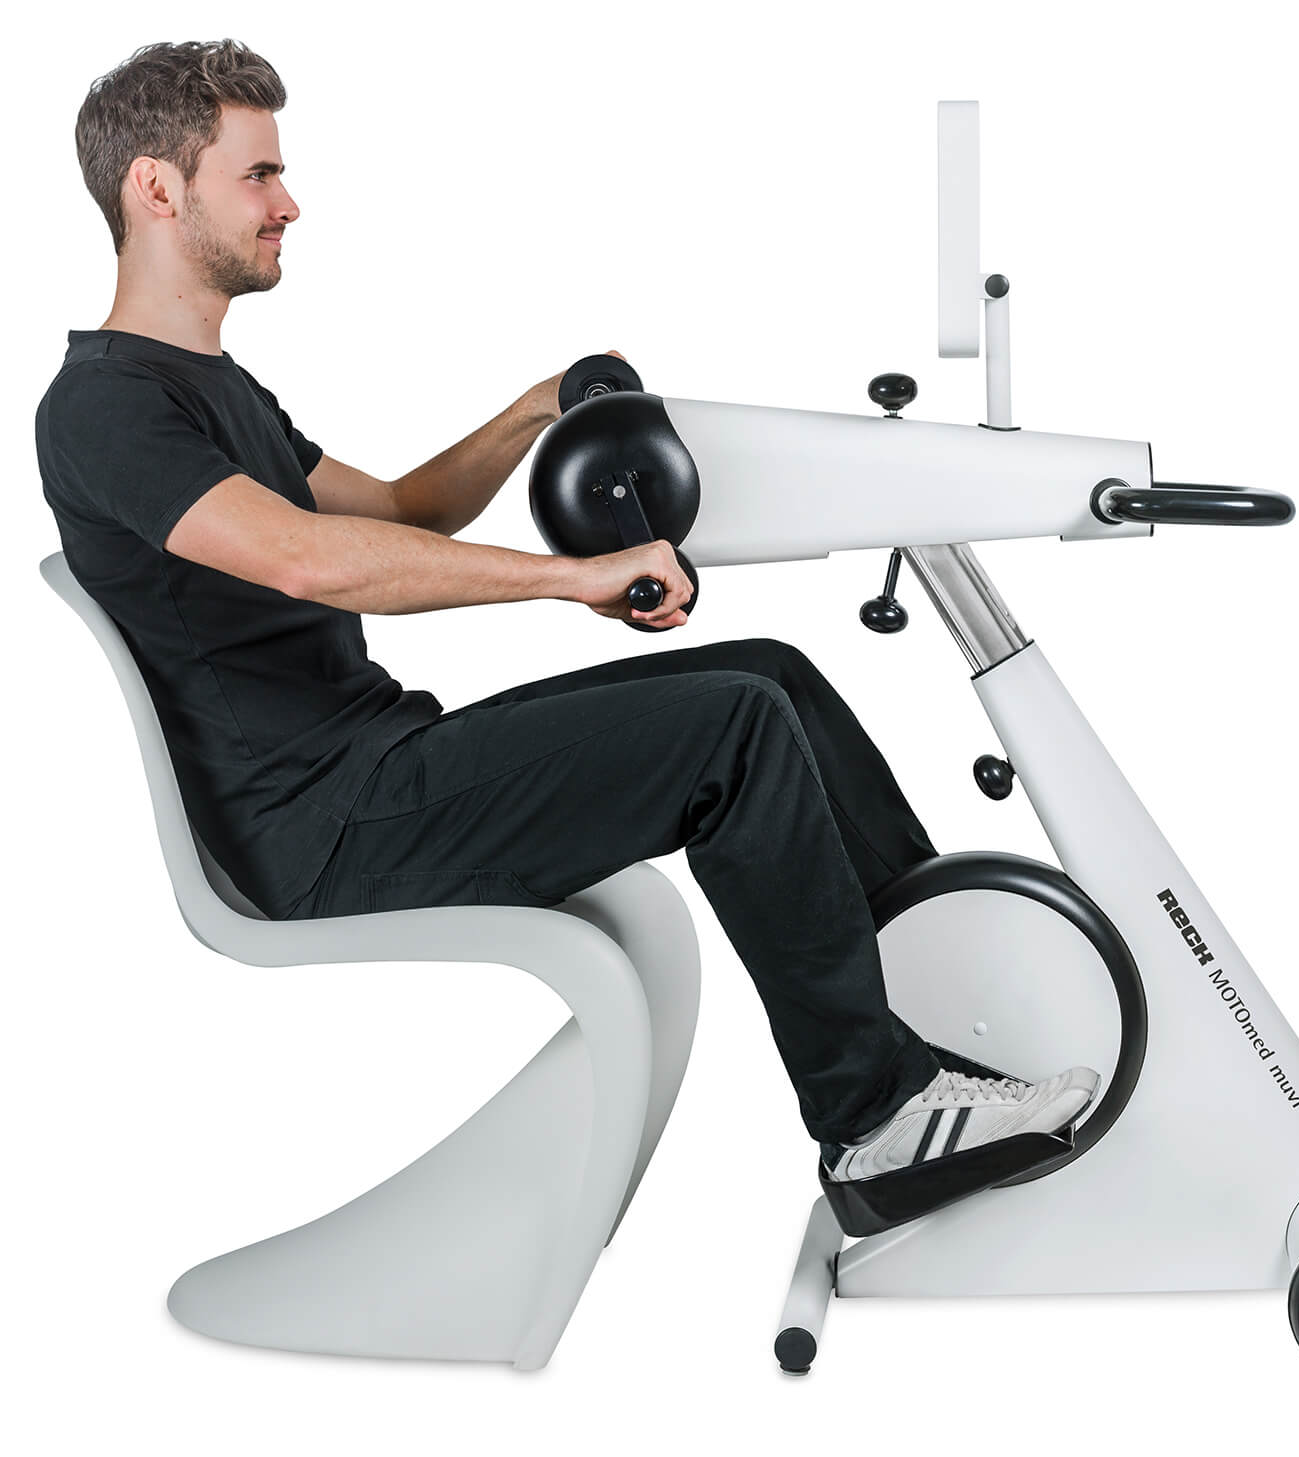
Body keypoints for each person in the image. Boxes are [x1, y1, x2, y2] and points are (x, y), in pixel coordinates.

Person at [36, 39, 1098, 1189]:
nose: (289, 203)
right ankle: (875, 1115)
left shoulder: (214, 389)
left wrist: (539, 405)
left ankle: (936, 988)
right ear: (157, 187)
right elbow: (305, 560)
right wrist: (570, 577)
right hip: (323, 827)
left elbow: (401, 510)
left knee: (772, 673)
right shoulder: (103, 407)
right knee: (732, 730)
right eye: (259, 175)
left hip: (382, 763)